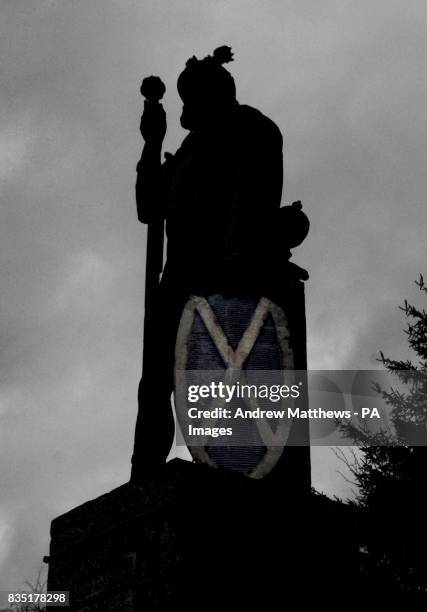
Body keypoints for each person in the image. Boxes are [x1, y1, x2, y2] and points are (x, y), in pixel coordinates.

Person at [131, 46, 284, 478]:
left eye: (191, 99)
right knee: (157, 382)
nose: (186, 109)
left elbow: (255, 201)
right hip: (179, 279)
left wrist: (235, 266)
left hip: (228, 274)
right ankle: (143, 475)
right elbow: (149, 207)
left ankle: (238, 471)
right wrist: (152, 142)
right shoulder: (186, 153)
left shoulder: (251, 129)